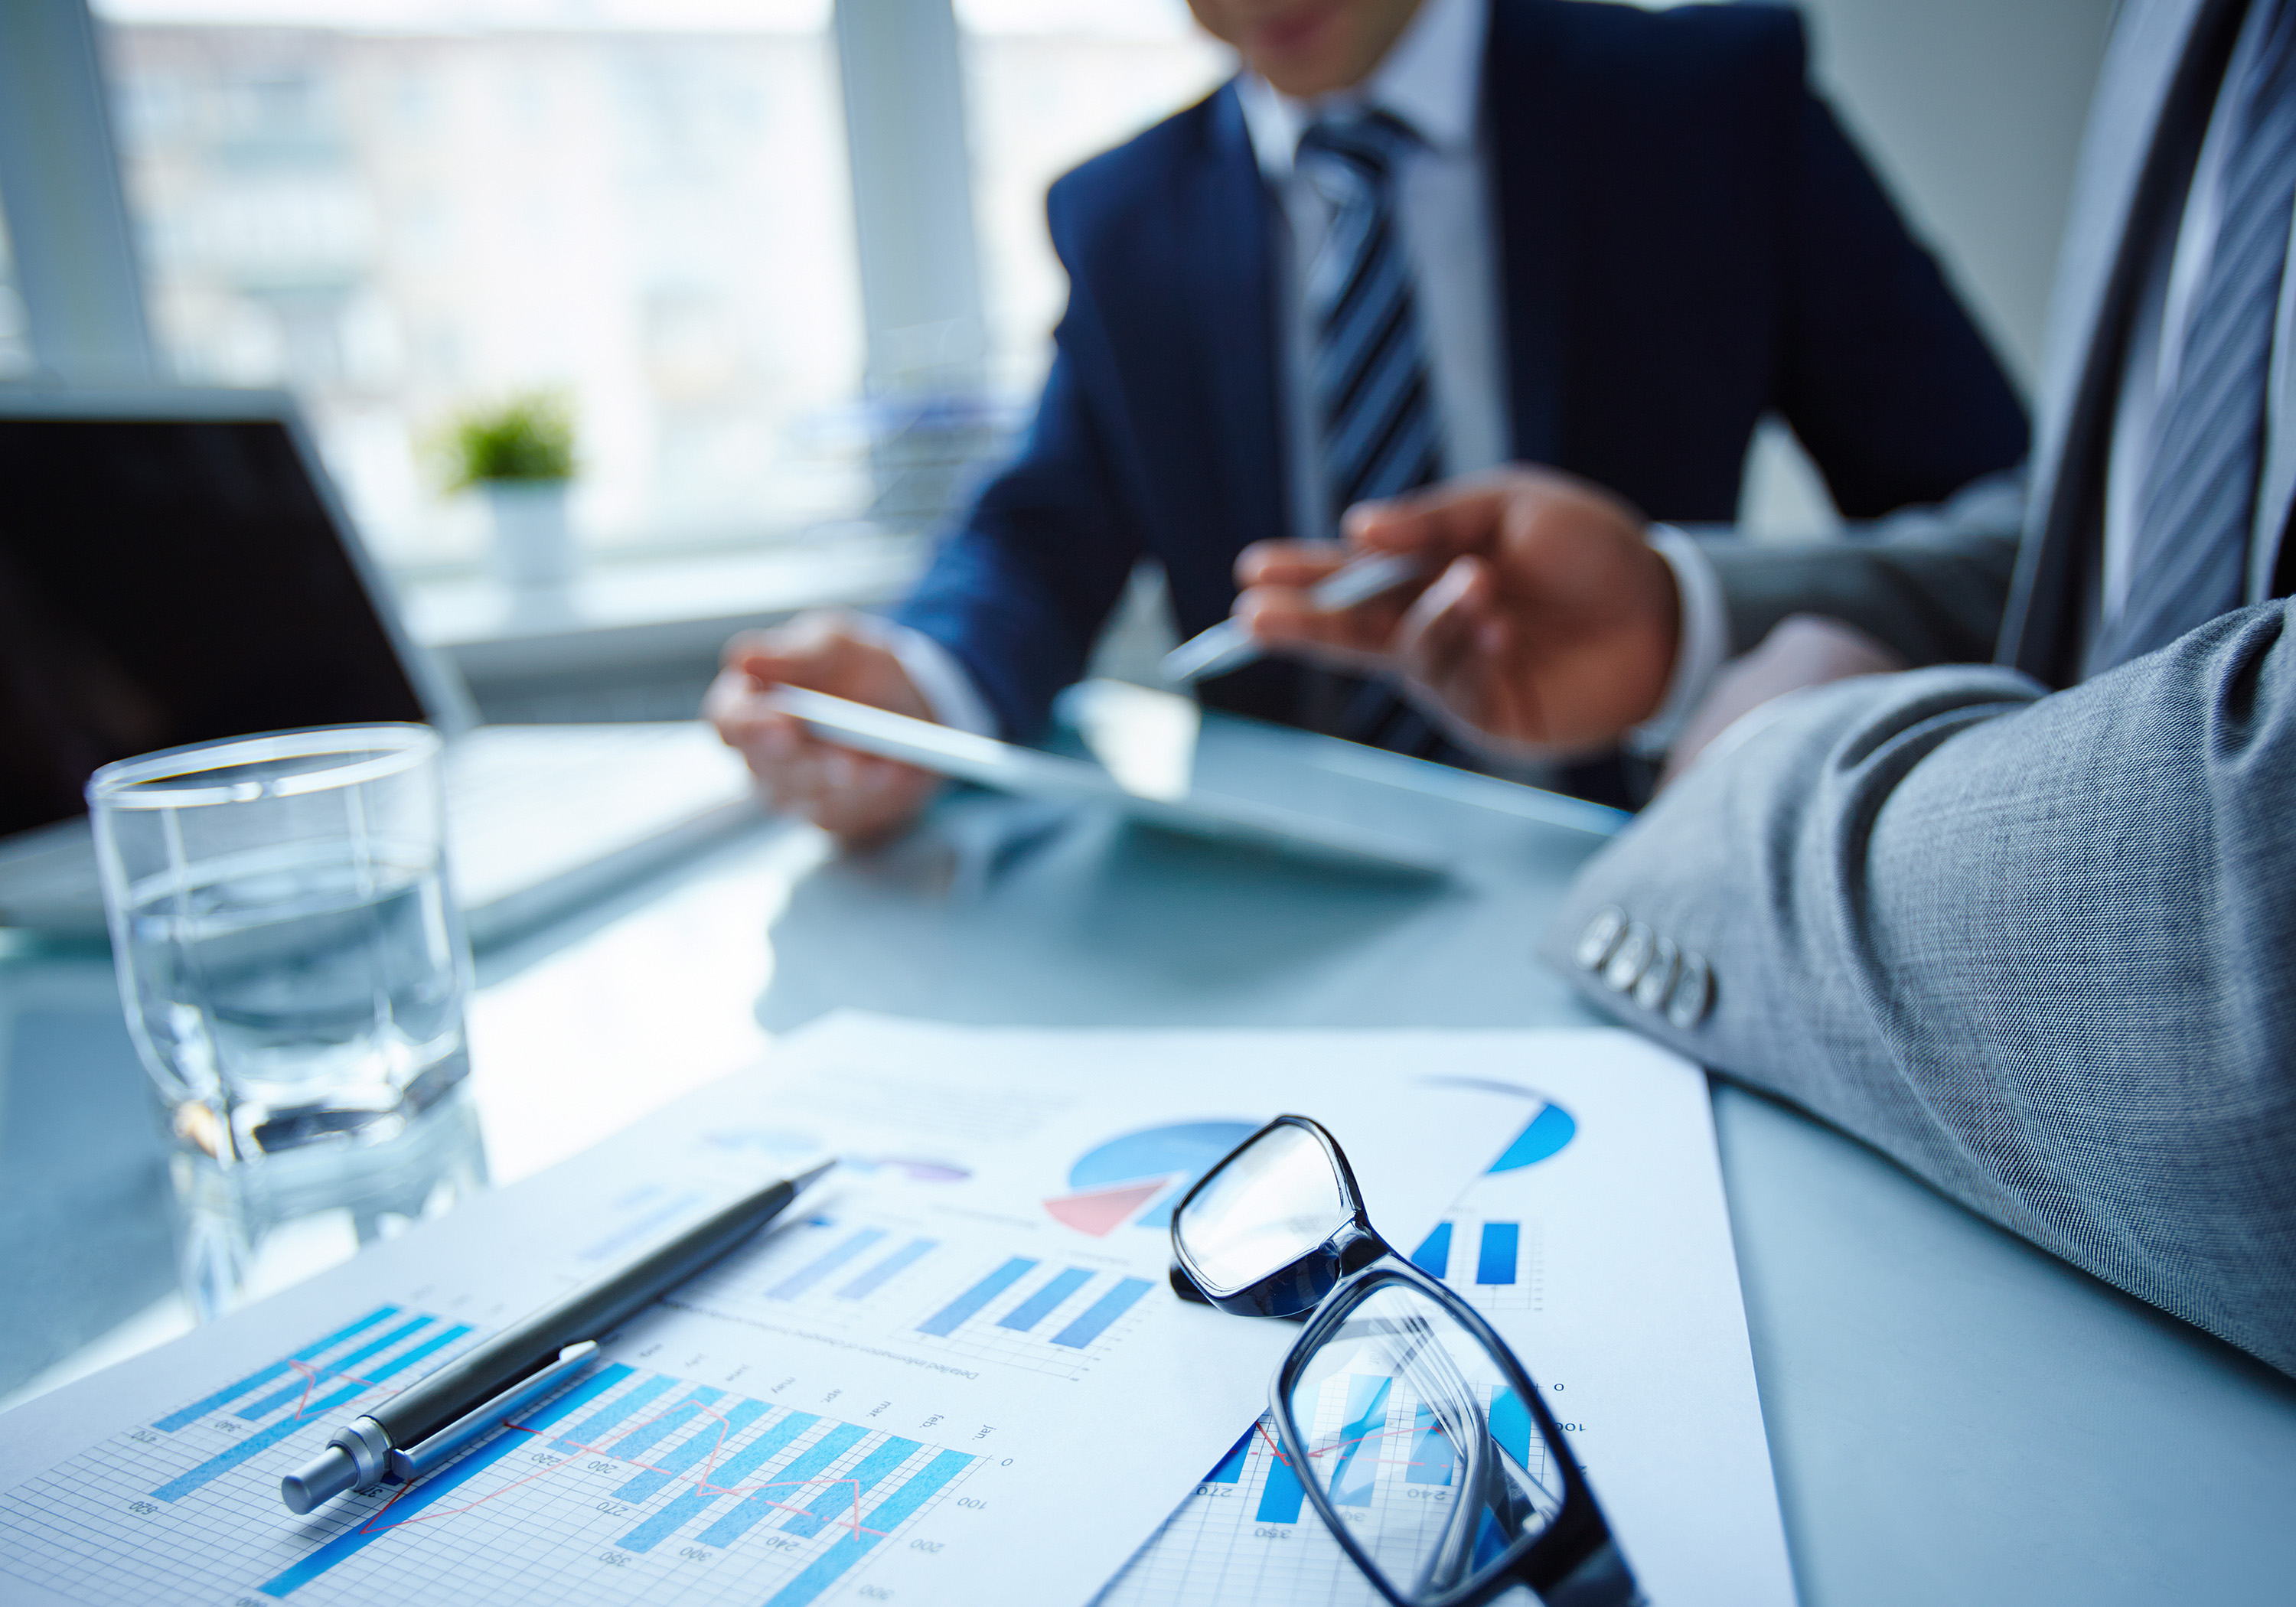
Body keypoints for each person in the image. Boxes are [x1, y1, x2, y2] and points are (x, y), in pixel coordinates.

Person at [1232, 0, 2296, 1375]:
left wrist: (1749, 770)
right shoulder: (2180, 32)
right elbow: (2124, 557)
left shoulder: (1704, 81)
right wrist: (1688, 622)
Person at [707, 0, 2028, 840]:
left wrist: (1732, 656)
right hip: (1289, 913)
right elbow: (1038, 536)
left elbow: (2011, 524)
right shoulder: (1125, 216)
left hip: (1655, 853)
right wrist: (916, 678)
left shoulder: (1706, 105)